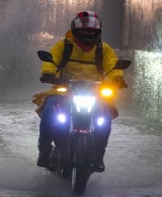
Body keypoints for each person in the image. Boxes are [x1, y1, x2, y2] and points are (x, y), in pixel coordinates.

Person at [33, 11, 127, 172]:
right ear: (75, 31)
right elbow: (52, 61)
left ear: (97, 33)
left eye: (91, 32)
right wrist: (49, 73)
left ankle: (98, 155)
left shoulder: (103, 49)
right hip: (65, 89)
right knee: (49, 111)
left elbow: (113, 66)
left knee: (105, 116)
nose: (87, 34)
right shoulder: (64, 46)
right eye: (83, 31)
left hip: (95, 91)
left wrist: (117, 78)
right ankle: (44, 151)